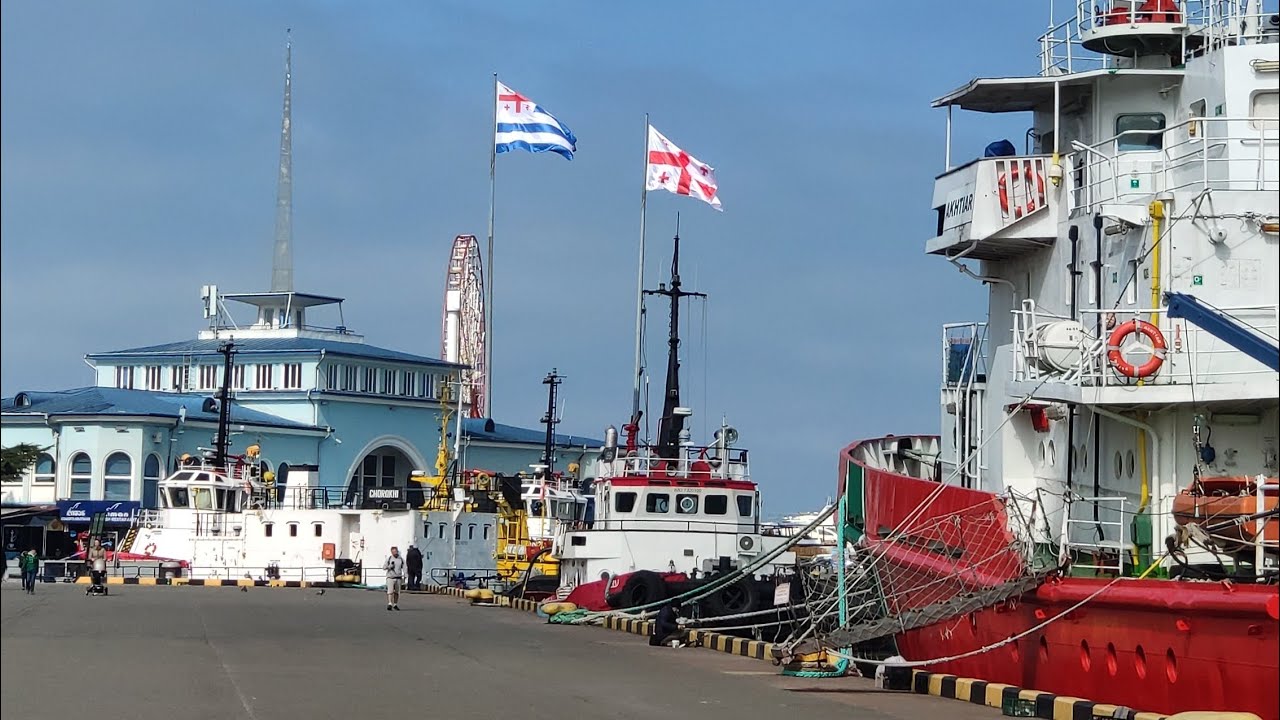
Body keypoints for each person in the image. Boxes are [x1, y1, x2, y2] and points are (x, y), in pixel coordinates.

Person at [383, 546, 405, 611]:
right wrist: (389, 566)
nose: (395, 553)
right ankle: (390, 603)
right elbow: (384, 567)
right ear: (391, 552)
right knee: (390, 591)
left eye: (396, 551)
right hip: (390, 577)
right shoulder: (389, 558)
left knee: (397, 592)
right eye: (393, 552)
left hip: (398, 577)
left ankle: (395, 604)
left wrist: (406, 574)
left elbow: (404, 567)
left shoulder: (401, 559)